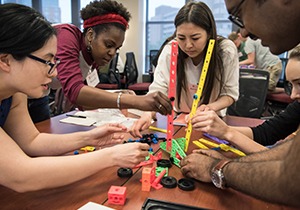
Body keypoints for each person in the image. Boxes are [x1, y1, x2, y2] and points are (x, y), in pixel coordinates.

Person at [0, 3, 150, 193]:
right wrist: (111, 157)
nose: (54, 74)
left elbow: (31, 141)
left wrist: (89, 138)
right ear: (6, 60)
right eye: (47, 62)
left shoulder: (15, 92)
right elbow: (21, 176)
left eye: (55, 62)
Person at [180, 0, 300, 207]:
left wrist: (217, 169)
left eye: (237, 13)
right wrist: (226, 141)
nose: (243, 31)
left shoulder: (226, 49)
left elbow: (291, 179)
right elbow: (286, 154)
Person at [130, 1, 239, 137]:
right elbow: (158, 90)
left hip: (212, 122)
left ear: (209, 33)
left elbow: (230, 94)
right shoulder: (171, 50)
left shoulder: (225, 51)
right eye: (181, 38)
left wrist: (209, 108)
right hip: (178, 119)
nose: (188, 45)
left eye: (195, 38)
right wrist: (147, 114)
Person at [54, 0, 172, 115]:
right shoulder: (67, 36)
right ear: (90, 35)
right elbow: (75, 92)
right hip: (36, 97)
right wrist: (135, 101)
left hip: (41, 95)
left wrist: (120, 96)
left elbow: (83, 103)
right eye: (109, 45)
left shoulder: (94, 59)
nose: (112, 53)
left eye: (117, 48)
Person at [187, 46, 300, 154]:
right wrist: (220, 129)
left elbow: (280, 164)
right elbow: (265, 134)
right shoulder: (297, 107)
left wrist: (227, 133)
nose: (293, 95)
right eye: (291, 85)